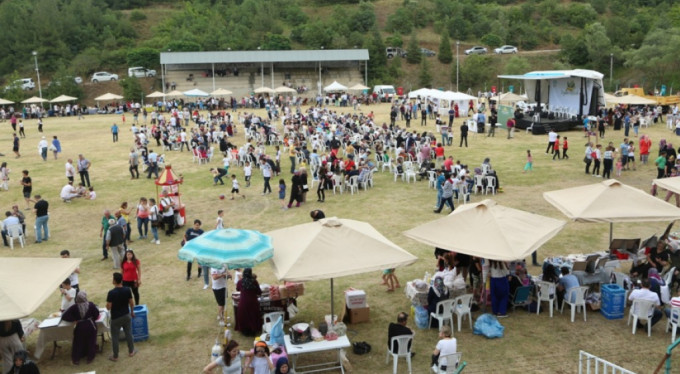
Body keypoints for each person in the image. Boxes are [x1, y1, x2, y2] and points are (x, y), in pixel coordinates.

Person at [60, 292, 100, 365]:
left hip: (80, 326)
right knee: (91, 341)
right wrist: (92, 318)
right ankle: (90, 358)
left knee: (78, 343)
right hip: (90, 325)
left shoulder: (75, 307)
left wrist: (74, 319)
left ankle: (76, 359)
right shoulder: (91, 305)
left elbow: (64, 315)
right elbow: (97, 314)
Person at [106, 272, 136, 362]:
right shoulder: (127, 290)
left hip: (116, 318)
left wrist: (107, 305)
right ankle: (131, 351)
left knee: (115, 337)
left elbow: (108, 307)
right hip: (126, 315)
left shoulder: (111, 293)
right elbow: (131, 302)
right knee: (129, 334)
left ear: (114, 281)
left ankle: (115, 356)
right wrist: (132, 312)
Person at [236, 268, 262, 336]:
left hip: (243, 302)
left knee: (244, 316)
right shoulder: (254, 281)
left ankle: (245, 331)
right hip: (253, 302)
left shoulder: (240, 282)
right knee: (253, 315)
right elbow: (259, 292)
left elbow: (238, 289)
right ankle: (253, 329)